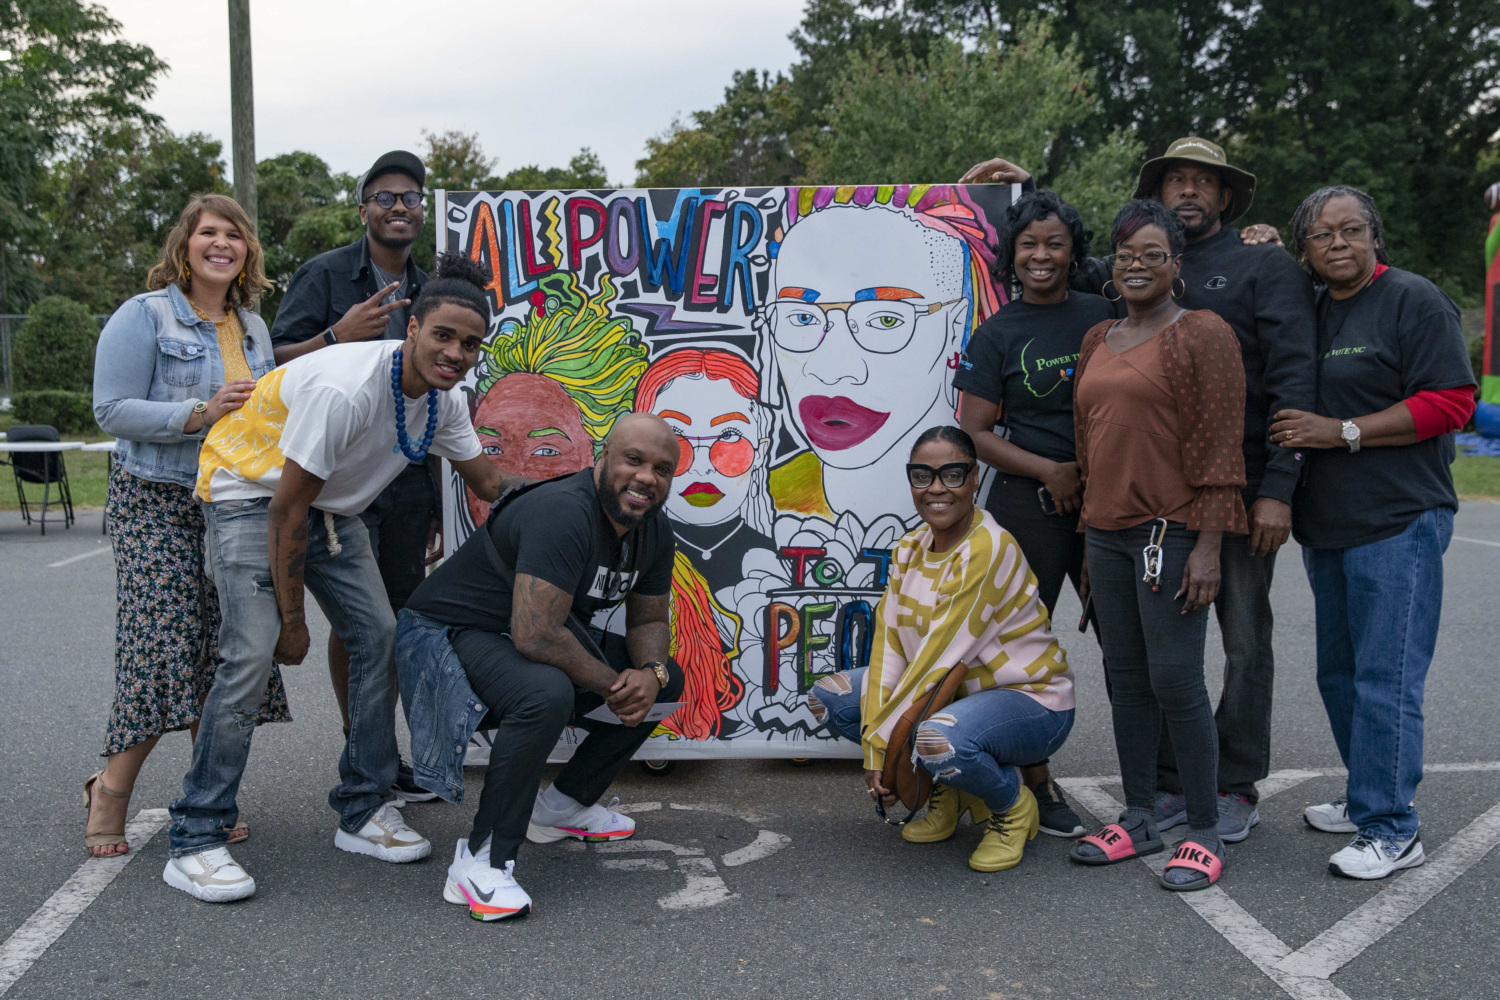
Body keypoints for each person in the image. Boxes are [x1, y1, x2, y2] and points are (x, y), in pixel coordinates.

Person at [963, 139, 1317, 843]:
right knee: (1135, 667)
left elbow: (1295, 376)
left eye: (1202, 181)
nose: (1188, 190)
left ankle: (1230, 788)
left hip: (1218, 494)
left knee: (1235, 646)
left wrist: (1277, 489)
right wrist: (1021, 191)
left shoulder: (1259, 266)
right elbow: (1050, 246)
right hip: (1115, 509)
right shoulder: (1105, 314)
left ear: (1223, 198)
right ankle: (1153, 790)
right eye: (1175, 179)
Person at [162, 255, 506, 903]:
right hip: (249, 490)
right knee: (251, 654)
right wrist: (293, 622)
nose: (456, 352)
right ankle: (196, 835)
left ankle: (363, 807)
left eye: (470, 343)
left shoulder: (445, 401)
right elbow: (287, 508)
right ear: (413, 330)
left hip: (326, 507)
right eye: (443, 336)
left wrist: (586, 495)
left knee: (379, 636)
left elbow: (490, 485)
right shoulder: (347, 390)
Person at [396, 413, 687, 920]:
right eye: (634, 460)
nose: (646, 477)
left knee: (667, 682)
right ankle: (480, 860)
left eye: (662, 469)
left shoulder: (653, 529)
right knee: (545, 691)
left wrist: (649, 674)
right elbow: (536, 634)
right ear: (603, 459)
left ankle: (560, 809)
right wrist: (617, 686)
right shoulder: (564, 512)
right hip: (443, 637)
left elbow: (649, 619)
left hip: (517, 636)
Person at [1271, 186, 1475, 879]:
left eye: (1351, 230)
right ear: (1306, 251)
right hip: (1328, 523)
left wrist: (1345, 432)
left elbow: (1453, 402)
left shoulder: (1414, 300)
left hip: (1398, 518)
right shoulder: (1314, 308)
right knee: (1340, 674)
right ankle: (1367, 798)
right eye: (1322, 235)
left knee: (1386, 678)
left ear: (1374, 236)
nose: (1338, 244)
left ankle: (1394, 827)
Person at [87, 194, 289, 857]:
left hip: (230, 502)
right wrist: (197, 413)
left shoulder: (254, 327)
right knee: (158, 646)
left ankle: (207, 794)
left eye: (234, 234)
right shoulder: (143, 316)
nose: (221, 243)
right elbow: (111, 410)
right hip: (154, 496)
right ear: (186, 243)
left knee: (224, 650)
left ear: (247, 250)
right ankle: (111, 791)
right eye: (208, 232)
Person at [1066, 200, 1246, 892]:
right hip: (1107, 537)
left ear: (1177, 264)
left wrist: (1209, 546)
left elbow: (1222, 446)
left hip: (1170, 534)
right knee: (1127, 682)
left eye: (1151, 253)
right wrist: (1087, 543)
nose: (1136, 264)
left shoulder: (1201, 333)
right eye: (1125, 253)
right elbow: (1090, 449)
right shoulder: (1097, 339)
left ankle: (1202, 827)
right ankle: (1139, 813)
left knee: (1176, 680)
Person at [807, 426, 1075, 873]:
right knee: (829, 698)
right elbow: (888, 648)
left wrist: (885, 746)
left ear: (974, 479)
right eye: (922, 475)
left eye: (952, 474)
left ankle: (1011, 806)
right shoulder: (910, 547)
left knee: (937, 738)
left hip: (1031, 702)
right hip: (951, 697)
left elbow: (937, 660)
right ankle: (947, 792)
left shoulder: (988, 548)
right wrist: (879, 752)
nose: (936, 488)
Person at [269, 150, 437, 803]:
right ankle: (367, 748)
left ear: (422, 211)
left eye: (411, 198)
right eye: (386, 197)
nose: (400, 207)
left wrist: (443, 505)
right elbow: (273, 363)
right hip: (334, 479)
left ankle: (376, 751)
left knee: (393, 617)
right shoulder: (325, 275)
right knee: (364, 624)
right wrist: (338, 336)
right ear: (363, 207)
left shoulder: (431, 285)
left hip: (407, 477)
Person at [952, 189, 1110, 839]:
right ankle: (1036, 785)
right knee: (1017, 655)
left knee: (1130, 646)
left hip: (1111, 505)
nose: (1042, 255)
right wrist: (1051, 471)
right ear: (1011, 256)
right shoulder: (998, 332)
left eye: (1055, 244)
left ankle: (1161, 785)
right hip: (1028, 502)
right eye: (1029, 244)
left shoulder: (1106, 316)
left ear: (1075, 253)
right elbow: (973, 431)